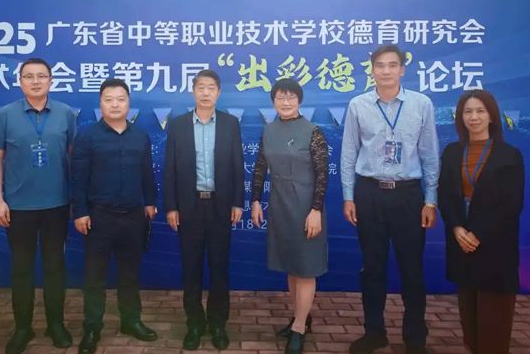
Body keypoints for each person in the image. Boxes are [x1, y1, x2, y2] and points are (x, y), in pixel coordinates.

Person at [340, 45, 439, 354]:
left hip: (409, 196)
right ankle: (374, 332)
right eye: (380, 65)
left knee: (412, 270)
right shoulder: (358, 105)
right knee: (372, 268)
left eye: (392, 65)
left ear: (402, 69)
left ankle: (415, 339)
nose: (385, 70)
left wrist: (430, 200)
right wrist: (348, 196)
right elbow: (348, 153)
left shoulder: (421, 104)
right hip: (369, 194)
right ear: (372, 70)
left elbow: (429, 154)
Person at [0, 58, 77, 354]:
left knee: (55, 267)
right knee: (21, 269)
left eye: (41, 76)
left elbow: (73, 157)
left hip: (57, 205)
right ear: (20, 81)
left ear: (51, 80)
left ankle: (56, 325)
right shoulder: (5, 115)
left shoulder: (65, 113)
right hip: (18, 207)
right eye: (29, 76)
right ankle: (23, 328)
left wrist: (76, 199)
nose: (35, 81)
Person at [70, 78, 158, 354]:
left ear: (128, 103)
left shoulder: (140, 136)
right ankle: (92, 328)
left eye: (121, 99)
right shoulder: (87, 136)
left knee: (130, 274)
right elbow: (78, 179)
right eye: (109, 99)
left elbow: (147, 173)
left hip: (133, 216)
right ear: (101, 103)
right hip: (99, 217)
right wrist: (80, 212)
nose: (115, 104)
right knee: (94, 277)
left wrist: (150, 202)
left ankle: (131, 321)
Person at [163, 69, 245, 351]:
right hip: (190, 206)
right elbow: (170, 169)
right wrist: (171, 207)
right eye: (201, 87)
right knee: (191, 268)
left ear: (218, 92)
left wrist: (237, 202)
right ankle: (195, 324)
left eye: (211, 87)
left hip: (221, 207)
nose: (206, 92)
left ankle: (218, 324)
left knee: (220, 268)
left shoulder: (230, 124)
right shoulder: (178, 125)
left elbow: (237, 166)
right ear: (193, 91)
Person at [438, 90, 524, 354]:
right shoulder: (452, 152)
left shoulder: (509, 155)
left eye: (480, 111)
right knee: (470, 314)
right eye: (468, 112)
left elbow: (511, 204)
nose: (473, 117)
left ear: (491, 116)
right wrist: (456, 228)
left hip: (495, 244)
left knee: (493, 318)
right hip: (462, 240)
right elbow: (445, 195)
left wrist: (478, 233)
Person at [251, 78, 329, 354]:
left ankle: (298, 328)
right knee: (291, 265)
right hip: (280, 204)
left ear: (299, 101)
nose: (285, 102)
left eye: (291, 97)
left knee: (305, 267)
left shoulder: (313, 132)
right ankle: (300, 318)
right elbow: (260, 167)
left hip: (306, 206)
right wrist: (256, 201)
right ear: (273, 101)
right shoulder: (268, 130)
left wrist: (316, 210)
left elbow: (322, 175)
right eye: (280, 97)